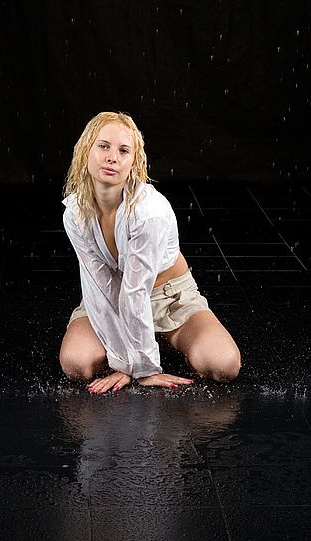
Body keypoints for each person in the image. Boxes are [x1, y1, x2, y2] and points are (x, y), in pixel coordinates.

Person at [59, 111, 241, 393]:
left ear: (133, 163)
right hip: (114, 298)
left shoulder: (149, 213)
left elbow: (136, 292)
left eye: (123, 150)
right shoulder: (74, 212)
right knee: (76, 364)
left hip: (170, 298)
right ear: (86, 151)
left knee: (223, 365)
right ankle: (143, 342)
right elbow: (99, 287)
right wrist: (124, 363)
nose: (111, 157)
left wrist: (143, 368)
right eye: (103, 146)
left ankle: (167, 337)